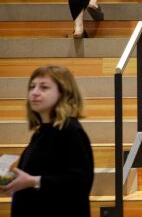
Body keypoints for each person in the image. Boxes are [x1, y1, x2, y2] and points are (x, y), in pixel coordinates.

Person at [0, 65, 94, 216]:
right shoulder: (41, 132)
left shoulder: (70, 130)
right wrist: (12, 181)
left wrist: (33, 181)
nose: (34, 93)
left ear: (63, 94)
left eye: (44, 88)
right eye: (32, 87)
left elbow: (79, 182)